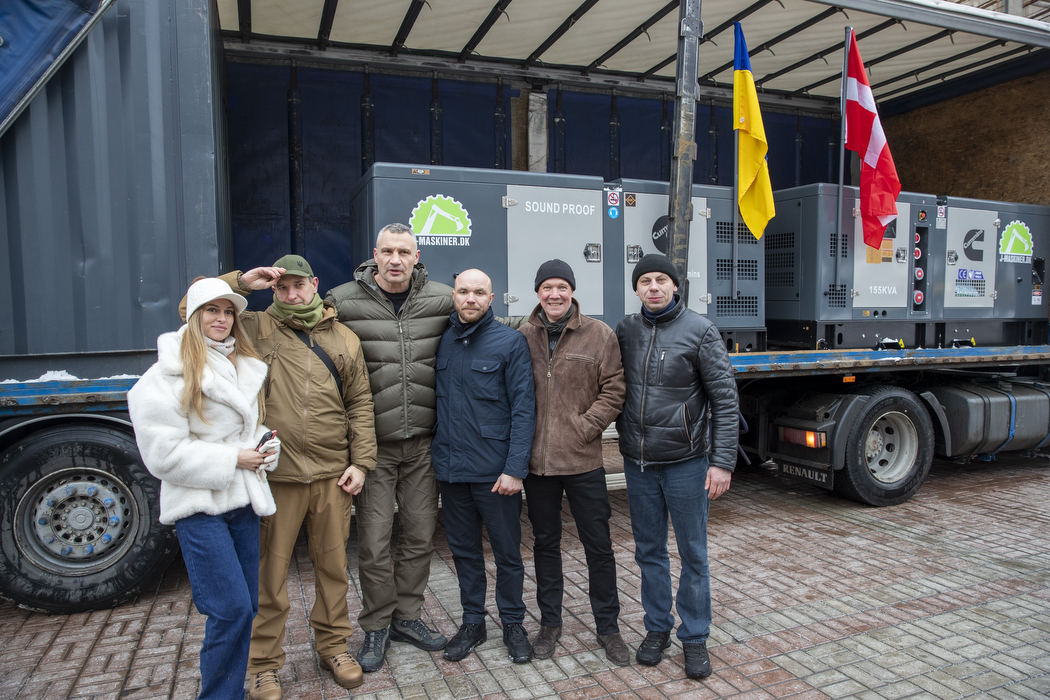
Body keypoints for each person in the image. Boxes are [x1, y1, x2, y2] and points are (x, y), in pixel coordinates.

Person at [184, 256, 377, 700]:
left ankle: (334, 647)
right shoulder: (251, 327)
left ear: (314, 284)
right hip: (275, 475)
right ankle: (264, 664)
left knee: (333, 568)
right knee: (269, 576)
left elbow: (360, 403)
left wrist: (361, 462)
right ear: (273, 290)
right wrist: (241, 282)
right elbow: (190, 310)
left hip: (333, 474)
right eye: (282, 288)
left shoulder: (343, 337)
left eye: (298, 286)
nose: (291, 295)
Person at [128, 278, 280, 700]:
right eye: (212, 310)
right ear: (194, 315)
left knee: (246, 607)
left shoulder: (240, 364)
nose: (222, 319)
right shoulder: (165, 376)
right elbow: (162, 455)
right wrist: (234, 459)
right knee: (229, 609)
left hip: (242, 501)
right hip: (198, 506)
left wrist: (265, 447)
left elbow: (246, 430)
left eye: (229, 312)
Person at [325, 223, 453, 671]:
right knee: (375, 542)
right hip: (372, 449)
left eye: (404, 252)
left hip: (423, 445)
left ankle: (408, 617)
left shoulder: (442, 298)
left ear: (417, 257)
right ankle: (377, 625)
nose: (395, 260)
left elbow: (484, 322)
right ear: (374, 255)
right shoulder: (342, 302)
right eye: (387, 252)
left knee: (419, 536)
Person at [615, 253, 738, 680]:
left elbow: (725, 401)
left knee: (692, 553)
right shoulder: (626, 330)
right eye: (645, 280)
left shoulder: (700, 331)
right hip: (639, 463)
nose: (653, 287)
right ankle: (657, 628)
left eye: (661, 280)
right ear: (636, 289)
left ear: (675, 286)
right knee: (649, 551)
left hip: (686, 463)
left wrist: (722, 463)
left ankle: (695, 636)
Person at [518, 260, 630, 666]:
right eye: (547, 287)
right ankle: (550, 624)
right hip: (538, 466)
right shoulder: (523, 335)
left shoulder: (599, 334)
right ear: (537, 293)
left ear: (572, 291)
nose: (555, 294)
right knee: (545, 544)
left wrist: (586, 426)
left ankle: (608, 628)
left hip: (583, 460)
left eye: (562, 287)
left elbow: (614, 389)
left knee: (598, 546)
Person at [432, 269, 537, 664]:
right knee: (464, 553)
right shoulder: (442, 340)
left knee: (507, 553)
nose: (470, 299)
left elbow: (524, 409)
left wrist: (515, 469)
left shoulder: (510, 342)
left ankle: (513, 624)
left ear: (492, 299)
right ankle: (473, 623)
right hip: (452, 471)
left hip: (496, 474)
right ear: (454, 296)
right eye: (463, 291)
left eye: (479, 292)